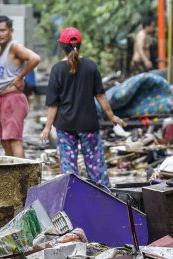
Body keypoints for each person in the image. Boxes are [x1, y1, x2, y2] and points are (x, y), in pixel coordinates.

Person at [40, 27, 125, 188]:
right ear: (80, 44)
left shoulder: (57, 69)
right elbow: (100, 95)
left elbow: (53, 103)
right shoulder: (91, 66)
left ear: (61, 46)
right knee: (95, 165)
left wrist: (47, 127)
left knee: (68, 167)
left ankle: (70, 195)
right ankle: (103, 196)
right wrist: (111, 116)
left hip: (65, 125)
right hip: (88, 124)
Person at [0, 15, 40, 158]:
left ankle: (20, 172)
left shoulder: (14, 47)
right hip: (2, 100)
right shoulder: (2, 50)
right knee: (5, 140)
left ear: (11, 31)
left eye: (2, 30)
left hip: (12, 99)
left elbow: (35, 58)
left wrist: (20, 77)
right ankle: (11, 171)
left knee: (13, 140)